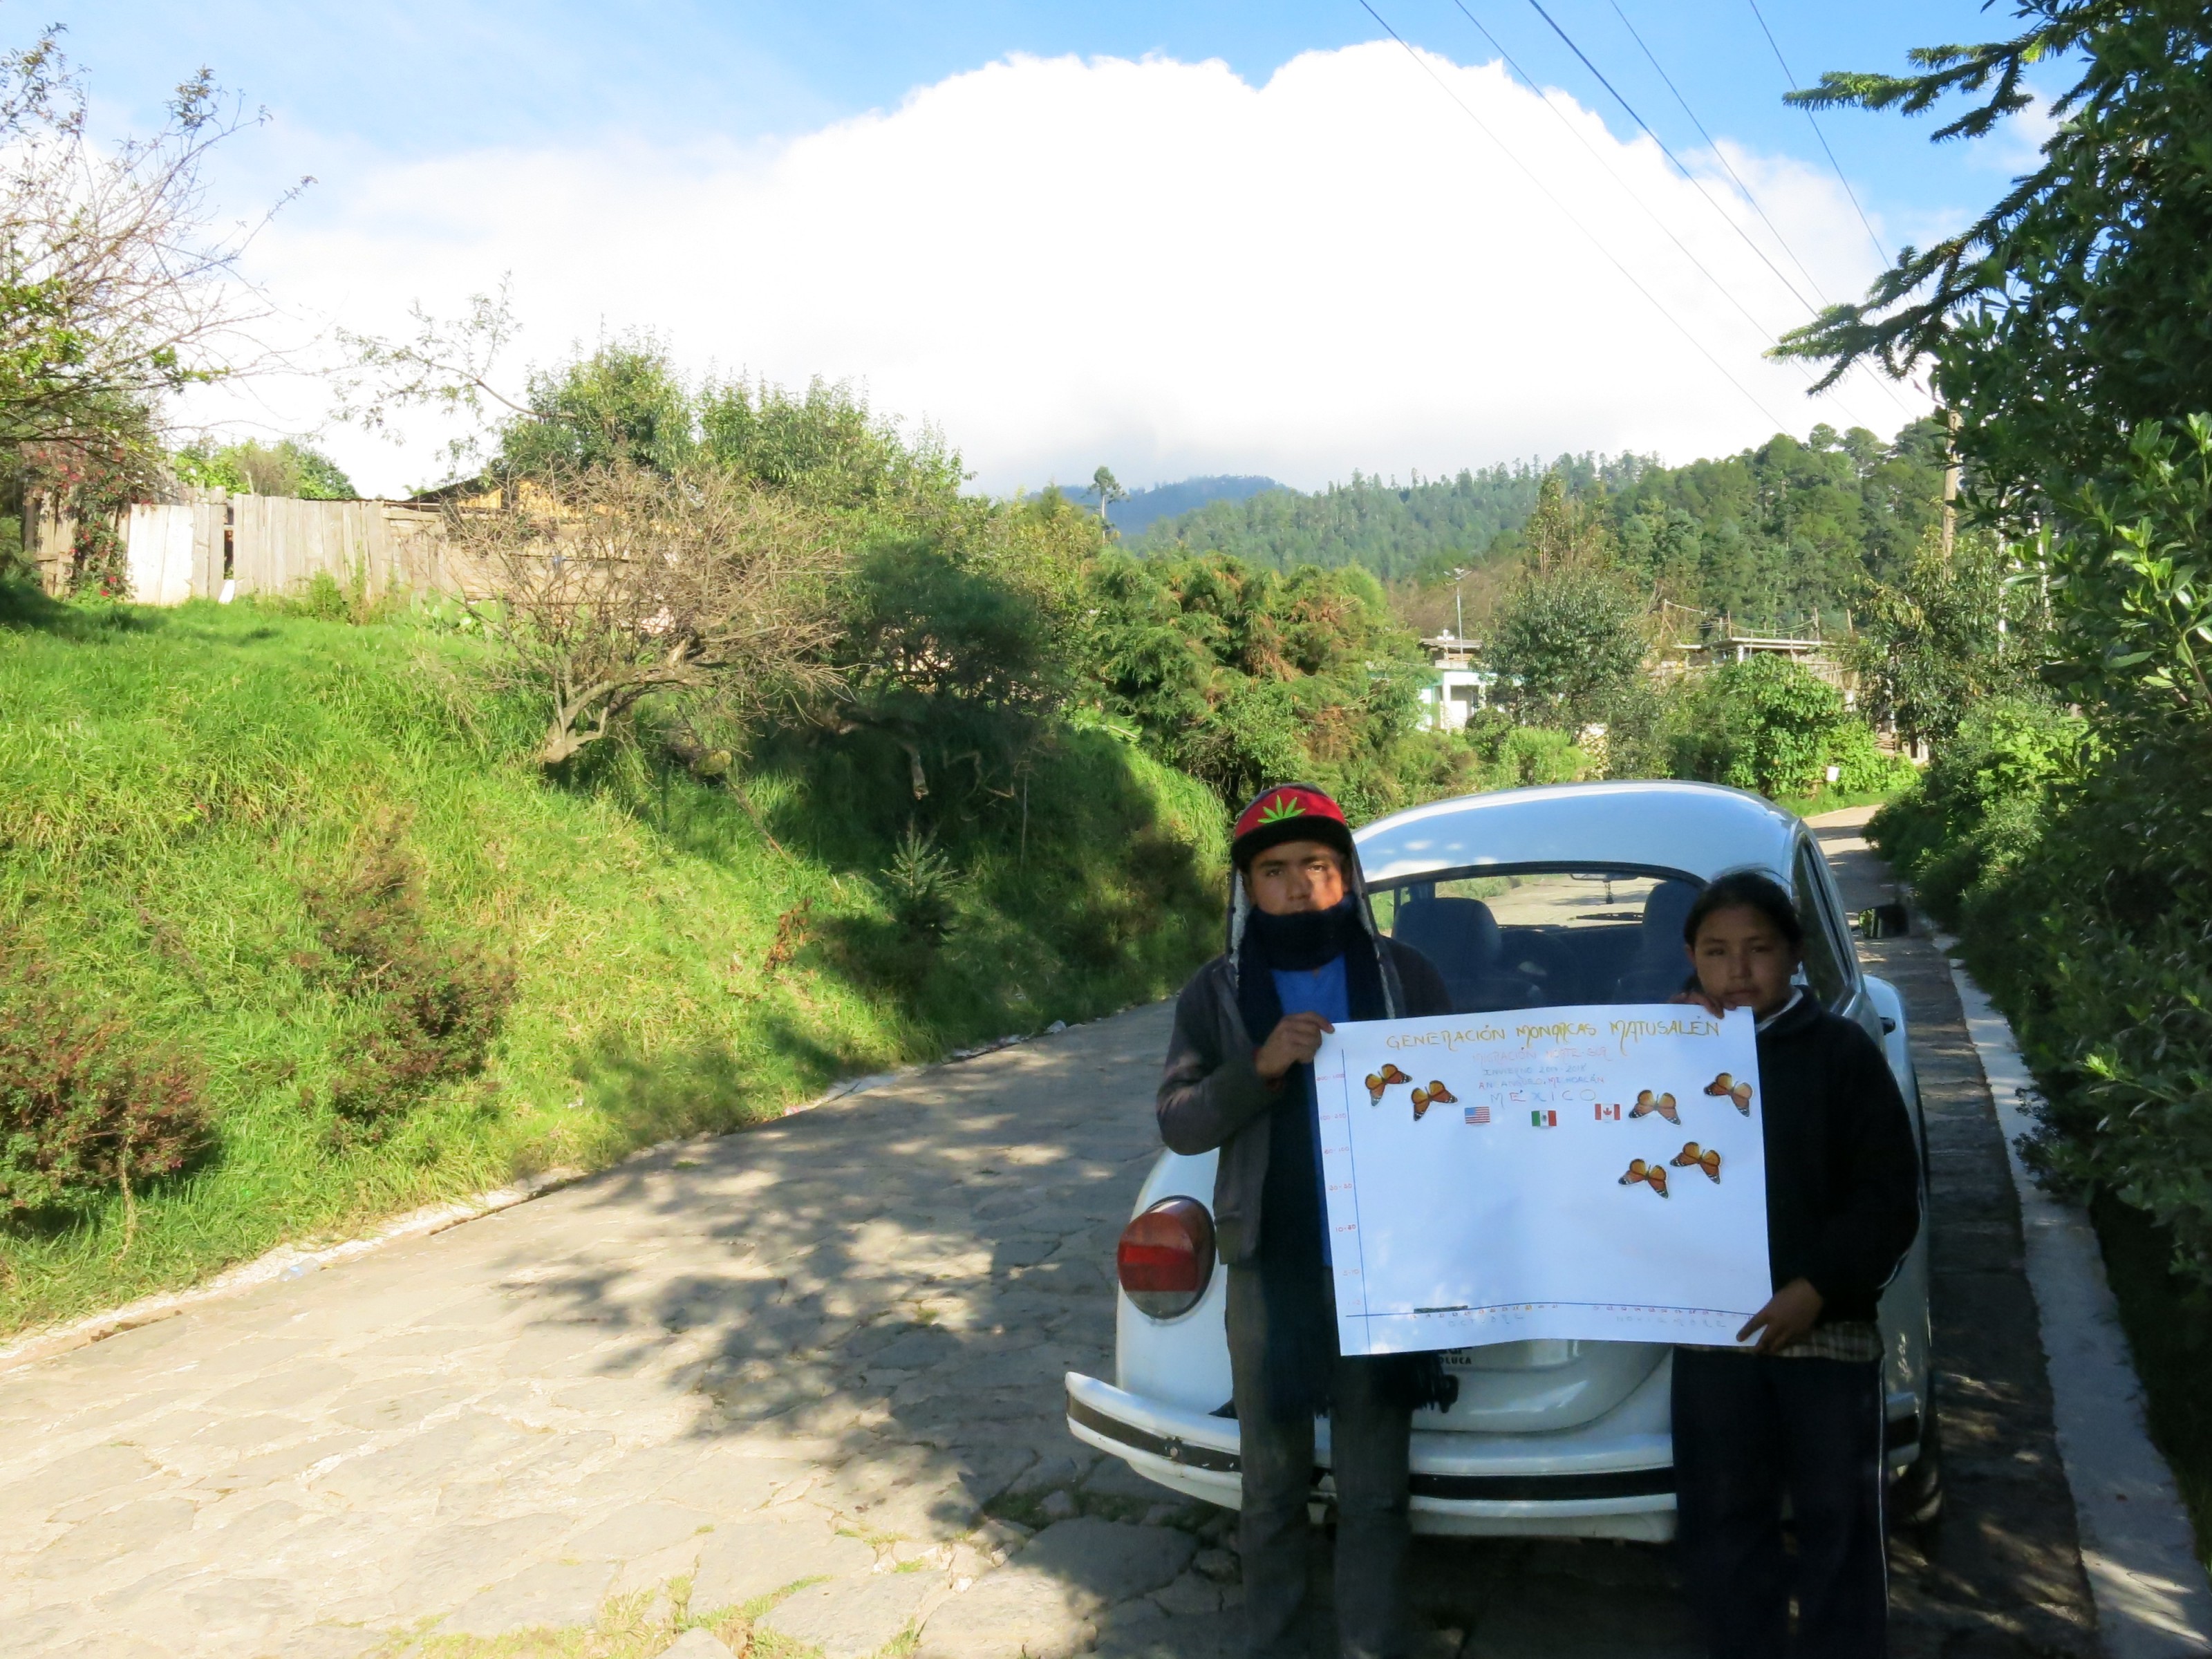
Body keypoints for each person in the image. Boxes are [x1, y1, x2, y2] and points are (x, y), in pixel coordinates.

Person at [1156, 782, 1454, 1659]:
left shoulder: (1405, 976)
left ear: (1350, 876)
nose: (1297, 886)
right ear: (1248, 887)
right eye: (1274, 870)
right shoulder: (1216, 992)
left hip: (1382, 1267)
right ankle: (1276, 1644)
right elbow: (1179, 1119)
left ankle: (1371, 1645)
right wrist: (1261, 1065)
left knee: (1373, 1487)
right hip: (1268, 1266)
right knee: (1271, 1483)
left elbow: (1467, 1096)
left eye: (1318, 868)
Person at [1671, 869, 1922, 1659]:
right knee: (1721, 1534)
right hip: (1714, 1344)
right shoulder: (1659, 1056)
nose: (1736, 970)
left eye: (1757, 950)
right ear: (1690, 958)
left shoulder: (1840, 1053)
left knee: (1839, 1532)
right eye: (1716, 952)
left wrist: (1813, 1290)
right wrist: (1662, 1050)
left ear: (1794, 955)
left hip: (1827, 1340)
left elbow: (1887, 1200)